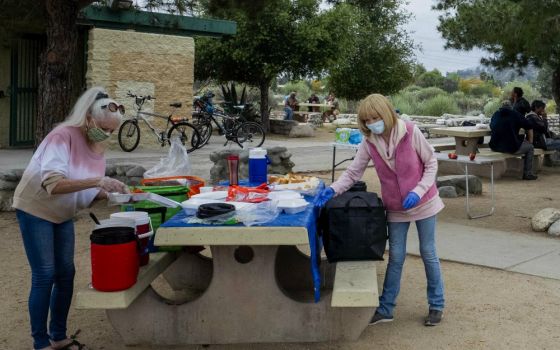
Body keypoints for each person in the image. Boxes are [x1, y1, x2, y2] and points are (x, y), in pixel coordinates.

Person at [12, 87, 129, 350]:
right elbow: (53, 184)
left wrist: (109, 192)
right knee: (45, 274)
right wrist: (99, 180)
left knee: (66, 273)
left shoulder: (96, 146)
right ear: (88, 117)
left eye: (111, 131)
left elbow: (84, 190)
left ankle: (59, 336)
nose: (107, 134)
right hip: (36, 208)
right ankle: (41, 343)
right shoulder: (62, 136)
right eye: (103, 128)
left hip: (62, 212)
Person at [314, 94, 445, 326]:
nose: (371, 122)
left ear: (385, 113)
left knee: (428, 252)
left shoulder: (411, 132)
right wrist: (332, 191)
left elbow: (431, 162)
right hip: (396, 207)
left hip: (424, 202)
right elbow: (354, 172)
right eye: (367, 120)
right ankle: (386, 308)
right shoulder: (369, 142)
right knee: (395, 256)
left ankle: (436, 305)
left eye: (375, 117)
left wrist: (419, 189)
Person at [489, 100, 537, 180]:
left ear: (501, 107)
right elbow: (529, 126)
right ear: (511, 107)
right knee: (530, 147)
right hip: (510, 147)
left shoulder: (496, 114)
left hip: (494, 146)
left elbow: (492, 126)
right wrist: (530, 141)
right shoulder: (515, 114)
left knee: (520, 141)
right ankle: (527, 173)